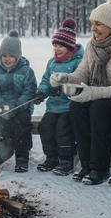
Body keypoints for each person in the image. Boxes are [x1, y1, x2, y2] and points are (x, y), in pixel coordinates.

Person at [49, 0, 111, 185]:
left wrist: (92, 93)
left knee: (98, 107)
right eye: (92, 23)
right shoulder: (93, 45)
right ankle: (86, 165)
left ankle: (100, 168)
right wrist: (64, 78)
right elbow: (82, 73)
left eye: (98, 24)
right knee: (77, 106)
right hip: (99, 97)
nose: (93, 29)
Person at [35, 18, 84, 175]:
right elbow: (45, 80)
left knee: (62, 130)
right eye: (55, 45)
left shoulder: (78, 62)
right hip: (52, 106)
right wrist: (42, 91)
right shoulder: (51, 62)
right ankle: (51, 158)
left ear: (70, 46)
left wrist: (62, 89)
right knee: (45, 127)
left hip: (68, 106)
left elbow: (80, 82)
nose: (57, 49)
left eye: (61, 45)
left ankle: (66, 160)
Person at [0, 30, 37, 172]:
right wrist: (0, 105)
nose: (7, 59)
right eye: (4, 55)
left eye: (11, 56)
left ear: (17, 56)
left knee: (20, 126)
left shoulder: (26, 71)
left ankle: (22, 156)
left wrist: (16, 106)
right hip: (1, 107)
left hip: (20, 108)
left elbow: (29, 92)